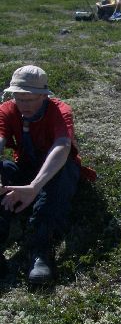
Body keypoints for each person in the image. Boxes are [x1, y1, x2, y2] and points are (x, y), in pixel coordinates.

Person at [0, 65, 95, 284]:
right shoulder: (7, 109)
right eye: (19, 99)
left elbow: (62, 147)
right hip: (26, 167)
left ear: (44, 96)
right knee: (4, 168)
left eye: (30, 99)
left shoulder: (60, 111)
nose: (24, 105)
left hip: (55, 169)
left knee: (62, 171)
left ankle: (41, 247)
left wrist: (35, 186)